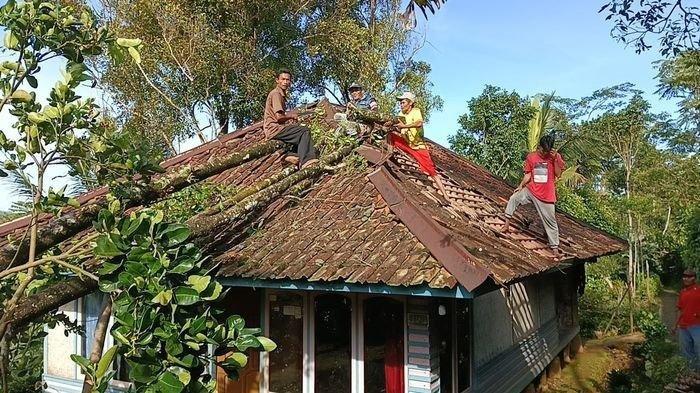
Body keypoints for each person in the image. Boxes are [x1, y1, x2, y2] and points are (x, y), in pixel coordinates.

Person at [385, 92, 452, 205]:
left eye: (403, 102)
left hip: (418, 146)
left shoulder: (416, 112)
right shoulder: (400, 115)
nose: (401, 105)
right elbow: (396, 125)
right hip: (407, 143)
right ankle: (388, 154)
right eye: (400, 103)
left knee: (432, 171)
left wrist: (404, 126)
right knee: (390, 135)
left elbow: (419, 123)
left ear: (410, 103)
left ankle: (445, 195)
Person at [502, 135, 565, 252]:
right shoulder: (531, 157)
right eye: (542, 150)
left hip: (547, 196)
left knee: (551, 223)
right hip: (531, 190)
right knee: (514, 198)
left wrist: (555, 158)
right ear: (538, 147)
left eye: (547, 151)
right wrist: (520, 186)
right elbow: (528, 174)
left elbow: (558, 174)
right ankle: (506, 224)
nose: (544, 153)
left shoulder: (555, 157)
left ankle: (555, 248)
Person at [263, 69, 319, 169]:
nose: (285, 82)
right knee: (304, 131)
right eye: (283, 79)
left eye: (287, 80)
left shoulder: (280, 94)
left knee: (296, 131)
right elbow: (279, 117)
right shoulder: (276, 94)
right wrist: (292, 116)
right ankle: (306, 161)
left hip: (274, 129)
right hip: (274, 129)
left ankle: (291, 156)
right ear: (277, 80)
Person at [675, 269, 700, 370]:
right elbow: (680, 309)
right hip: (683, 326)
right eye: (684, 276)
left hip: (697, 325)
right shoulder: (682, 292)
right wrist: (675, 325)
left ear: (694, 278)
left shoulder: (698, 290)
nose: (685, 279)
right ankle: (691, 373)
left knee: (698, 349)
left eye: (689, 277)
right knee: (686, 352)